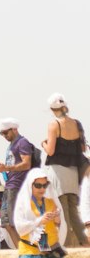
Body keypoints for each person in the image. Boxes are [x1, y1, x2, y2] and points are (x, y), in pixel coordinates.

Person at [43, 93, 89, 247]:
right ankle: (84, 242)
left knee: (63, 211)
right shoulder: (77, 123)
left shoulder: (54, 124)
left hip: (58, 171)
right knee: (73, 210)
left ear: (52, 109)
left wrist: (43, 143)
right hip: (73, 171)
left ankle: (68, 245)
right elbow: (82, 147)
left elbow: (50, 151)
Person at [0, 117, 34, 248]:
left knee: (12, 222)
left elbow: (26, 164)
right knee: (7, 223)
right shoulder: (12, 145)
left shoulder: (22, 142)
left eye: (6, 132)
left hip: (17, 186)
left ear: (14, 129)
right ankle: (22, 249)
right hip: (10, 184)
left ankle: (24, 250)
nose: (4, 136)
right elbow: (13, 165)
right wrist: (1, 169)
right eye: (2, 133)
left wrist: (6, 168)